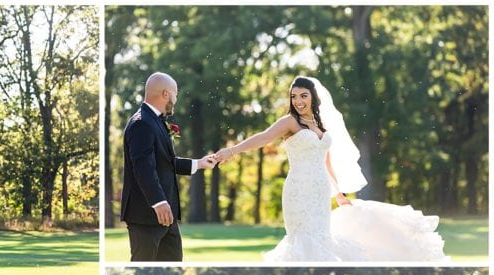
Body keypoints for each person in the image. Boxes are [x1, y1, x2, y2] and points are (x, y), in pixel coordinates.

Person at [213, 76, 448, 262]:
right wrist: (232, 151)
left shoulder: (320, 127)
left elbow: (326, 164)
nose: (298, 101)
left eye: (303, 96)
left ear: (314, 97)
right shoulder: (290, 122)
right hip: (298, 190)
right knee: (303, 239)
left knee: (323, 237)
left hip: (319, 192)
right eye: (294, 96)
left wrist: (338, 194)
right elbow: (263, 138)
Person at [121, 72, 218, 261]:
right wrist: (158, 202)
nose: (176, 98)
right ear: (166, 94)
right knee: (143, 270)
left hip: (167, 214)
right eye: (175, 93)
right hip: (146, 215)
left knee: (172, 268)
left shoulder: (156, 121)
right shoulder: (141, 123)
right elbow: (143, 168)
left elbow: (167, 162)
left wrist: (199, 163)